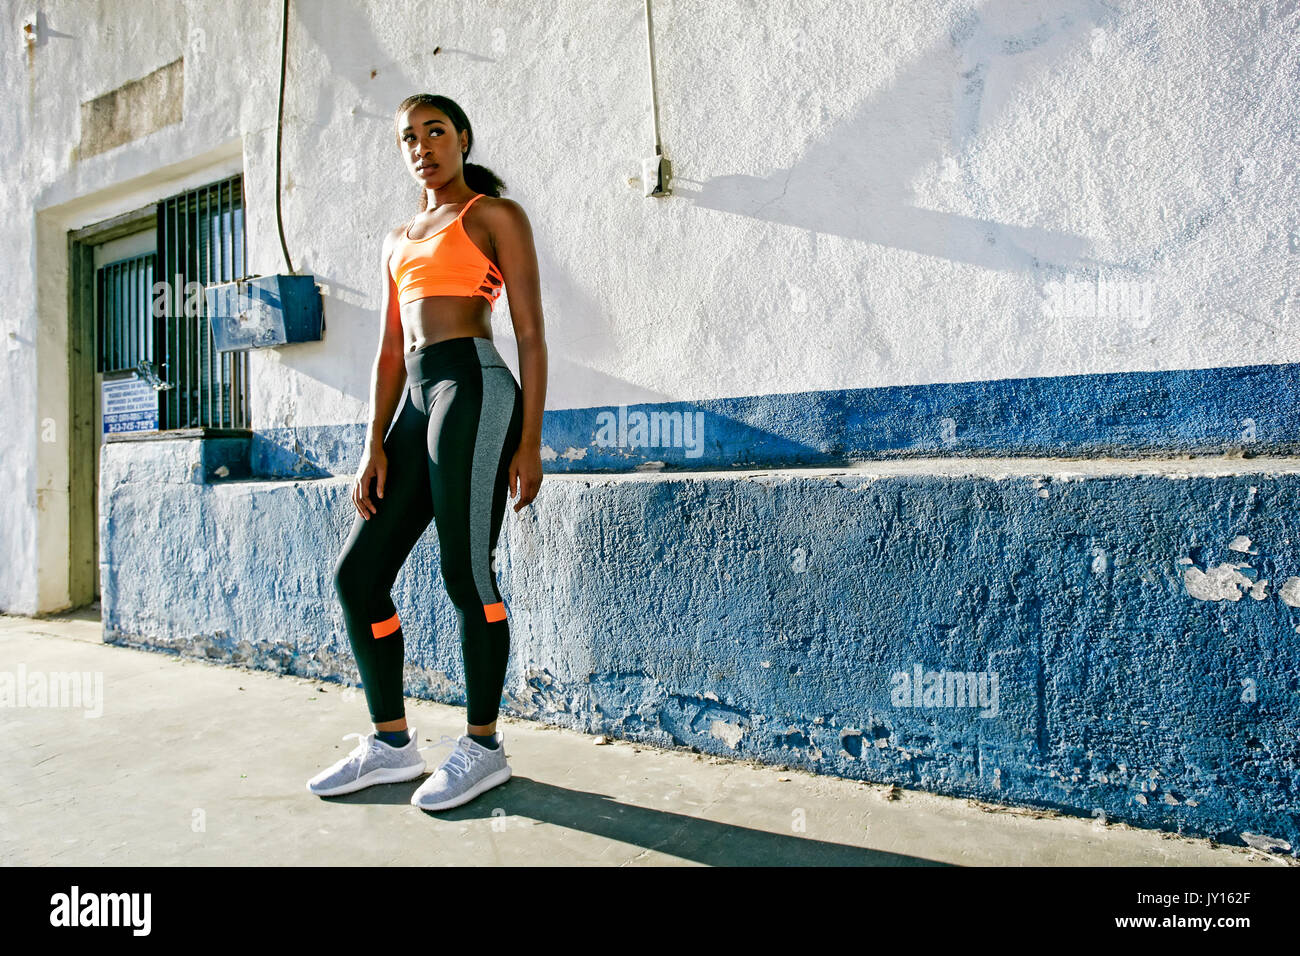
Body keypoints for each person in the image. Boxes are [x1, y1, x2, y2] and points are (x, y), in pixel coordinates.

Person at [306, 93, 547, 811]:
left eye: (435, 131)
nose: (422, 146)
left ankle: (482, 747)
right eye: (408, 137)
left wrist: (530, 441)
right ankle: (391, 744)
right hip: (413, 400)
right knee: (359, 575)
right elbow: (388, 349)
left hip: (473, 387)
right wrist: (371, 444)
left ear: (463, 139)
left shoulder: (495, 218)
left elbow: (530, 335)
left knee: (465, 573)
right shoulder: (398, 237)